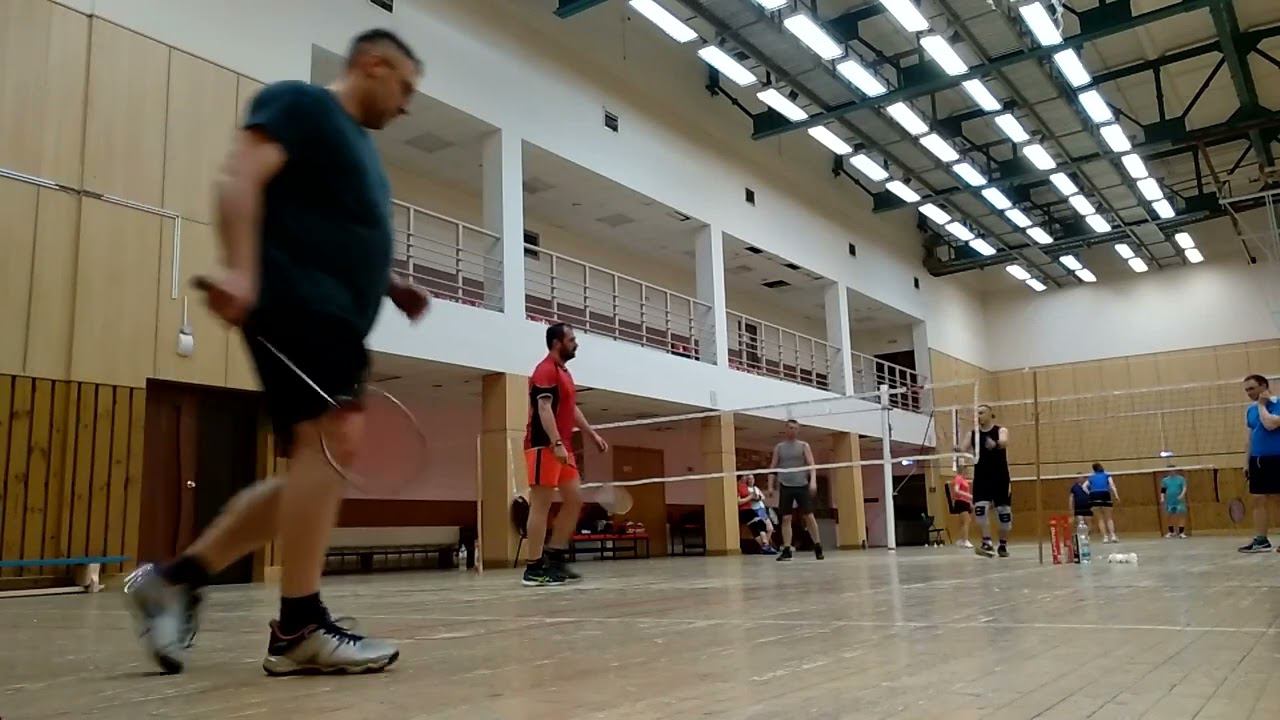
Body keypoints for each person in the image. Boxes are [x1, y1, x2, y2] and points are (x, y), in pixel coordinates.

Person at [124, 30, 428, 676]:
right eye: (404, 86)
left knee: (314, 470)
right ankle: (298, 627)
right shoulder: (302, 104)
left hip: (337, 321)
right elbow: (240, 177)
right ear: (372, 64)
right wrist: (240, 268)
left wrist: (388, 284)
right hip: (296, 305)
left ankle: (175, 580)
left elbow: (337, 228)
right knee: (334, 441)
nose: (406, 104)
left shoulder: (361, 152)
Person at [521, 323, 609, 585]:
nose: (576, 343)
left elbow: (571, 409)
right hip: (543, 446)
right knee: (541, 505)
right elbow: (544, 408)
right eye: (571, 339)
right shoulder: (545, 370)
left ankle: (554, 556)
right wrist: (556, 442)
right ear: (557, 343)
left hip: (564, 448)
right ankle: (533, 568)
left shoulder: (565, 373)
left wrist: (592, 434)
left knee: (575, 500)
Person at [961, 404, 1012, 557]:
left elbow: (1004, 441)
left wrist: (995, 443)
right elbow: (963, 448)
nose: (978, 416)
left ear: (990, 414)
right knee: (980, 510)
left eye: (981, 413)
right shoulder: (972, 434)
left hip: (1000, 477)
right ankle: (987, 542)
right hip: (981, 477)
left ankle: (1002, 545)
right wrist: (957, 449)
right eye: (977, 413)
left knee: (1004, 514)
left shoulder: (1000, 430)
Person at [769, 420, 823, 561]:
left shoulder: (804, 446)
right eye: (790, 428)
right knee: (786, 518)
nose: (792, 430)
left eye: (795, 428)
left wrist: (813, 482)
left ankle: (817, 545)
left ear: (798, 430)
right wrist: (770, 486)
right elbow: (773, 467)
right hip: (785, 485)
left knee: (808, 516)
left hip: (801, 484)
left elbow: (811, 465)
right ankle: (787, 549)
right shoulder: (779, 447)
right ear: (786, 429)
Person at [1239, 374, 1280, 553]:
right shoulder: (1250, 410)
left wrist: (1262, 405)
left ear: (1263, 386)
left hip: (1277, 458)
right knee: (1258, 499)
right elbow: (1250, 438)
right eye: (1246, 390)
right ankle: (1261, 540)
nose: (1249, 393)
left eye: (1252, 388)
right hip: (1257, 460)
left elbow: (1270, 424)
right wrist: (1246, 462)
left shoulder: (1278, 404)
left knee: (1278, 499)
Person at [737, 475, 776, 555]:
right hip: (745, 510)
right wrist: (751, 497)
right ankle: (765, 545)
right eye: (746, 478)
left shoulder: (747, 487)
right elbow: (739, 501)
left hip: (752, 509)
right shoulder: (738, 487)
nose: (747, 480)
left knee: (756, 528)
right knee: (759, 524)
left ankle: (765, 547)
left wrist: (756, 497)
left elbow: (760, 497)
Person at [1086, 462, 1120, 543]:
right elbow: (1112, 485)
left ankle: (1105, 537)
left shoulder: (1091, 477)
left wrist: (1089, 493)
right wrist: (1116, 495)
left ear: (1094, 469)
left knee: (1100, 519)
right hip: (1105, 494)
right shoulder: (1107, 475)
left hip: (1094, 496)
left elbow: (1084, 486)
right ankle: (1113, 536)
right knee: (1109, 517)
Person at [950, 463, 974, 549]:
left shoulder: (964, 479)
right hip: (960, 502)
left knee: (964, 522)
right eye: (966, 469)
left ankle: (961, 540)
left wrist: (970, 503)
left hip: (965, 502)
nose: (967, 471)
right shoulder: (958, 478)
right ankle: (965, 540)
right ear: (962, 470)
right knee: (967, 521)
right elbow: (956, 490)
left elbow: (966, 492)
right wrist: (968, 496)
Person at [1160, 468, 1188, 539]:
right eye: (1169, 470)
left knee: (1181, 515)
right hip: (1169, 501)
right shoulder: (1165, 480)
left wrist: (1182, 495)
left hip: (1179, 500)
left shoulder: (1181, 478)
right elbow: (1163, 490)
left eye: (1172, 470)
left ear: (1175, 470)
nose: (1171, 472)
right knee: (1168, 516)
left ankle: (1181, 533)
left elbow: (1184, 487)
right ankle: (1171, 532)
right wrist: (1162, 497)